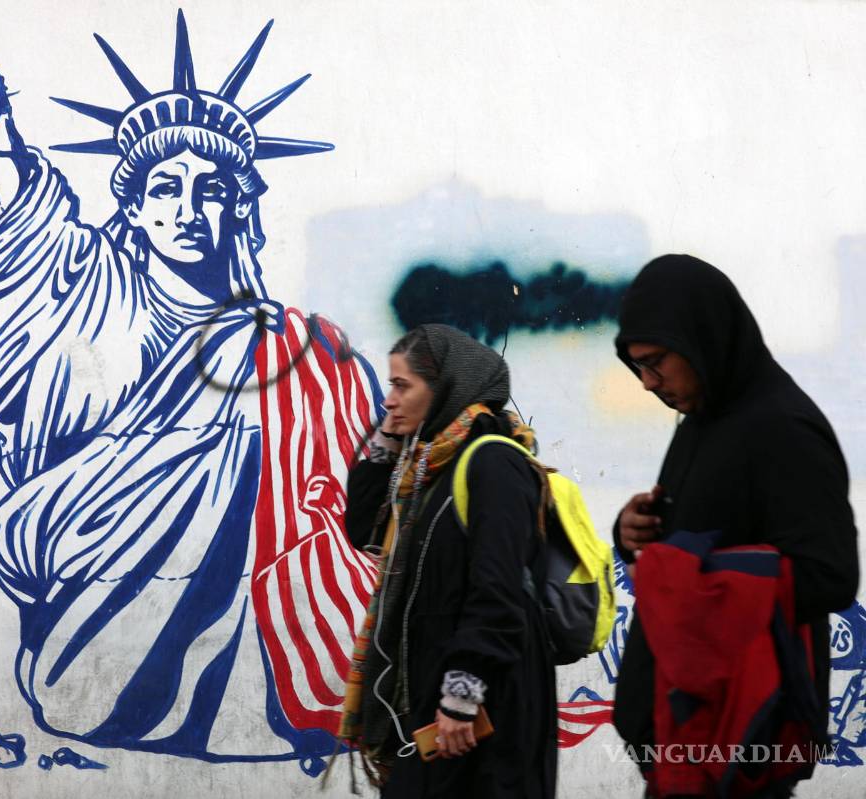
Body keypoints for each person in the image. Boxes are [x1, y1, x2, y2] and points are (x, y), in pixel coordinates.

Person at [0, 12, 382, 766]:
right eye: (166, 187)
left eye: (212, 189)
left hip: (276, 620)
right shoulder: (86, 289)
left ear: (239, 207)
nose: (189, 209)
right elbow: (18, 247)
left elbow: (358, 490)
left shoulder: (299, 347)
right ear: (133, 207)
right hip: (83, 601)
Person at [611, 254, 859, 797]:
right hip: (687, 736)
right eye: (638, 368)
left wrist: (696, 578)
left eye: (657, 362)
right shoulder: (705, 416)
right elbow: (705, 532)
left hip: (743, 741)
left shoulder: (784, 428)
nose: (649, 383)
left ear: (703, 337)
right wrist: (633, 531)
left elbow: (831, 573)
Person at [339, 324, 557, 797]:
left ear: (446, 389)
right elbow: (362, 528)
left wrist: (462, 696)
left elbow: (496, 588)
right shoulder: (427, 471)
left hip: (485, 709)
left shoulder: (493, 463)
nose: (389, 400)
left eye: (402, 386)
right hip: (432, 701)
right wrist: (389, 438)